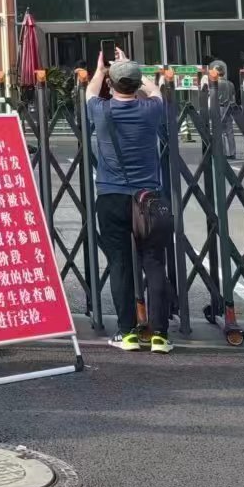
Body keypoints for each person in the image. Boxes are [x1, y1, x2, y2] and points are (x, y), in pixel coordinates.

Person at [85, 50, 174, 353]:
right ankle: (160, 335)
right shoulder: (151, 109)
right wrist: (134, 69)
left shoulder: (101, 110)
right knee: (154, 262)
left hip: (111, 197)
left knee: (120, 264)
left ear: (111, 84)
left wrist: (101, 70)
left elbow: (89, 92)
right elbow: (155, 91)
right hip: (149, 199)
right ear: (136, 84)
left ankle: (127, 333)